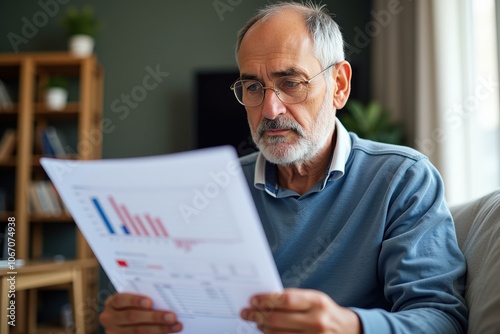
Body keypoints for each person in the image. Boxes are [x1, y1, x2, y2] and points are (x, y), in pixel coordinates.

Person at [99, 2, 468, 333]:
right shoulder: (212, 187)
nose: (270, 110)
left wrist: (351, 326)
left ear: (338, 85)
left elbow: (439, 317)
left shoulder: (401, 179)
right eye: (253, 87)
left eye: (290, 83)